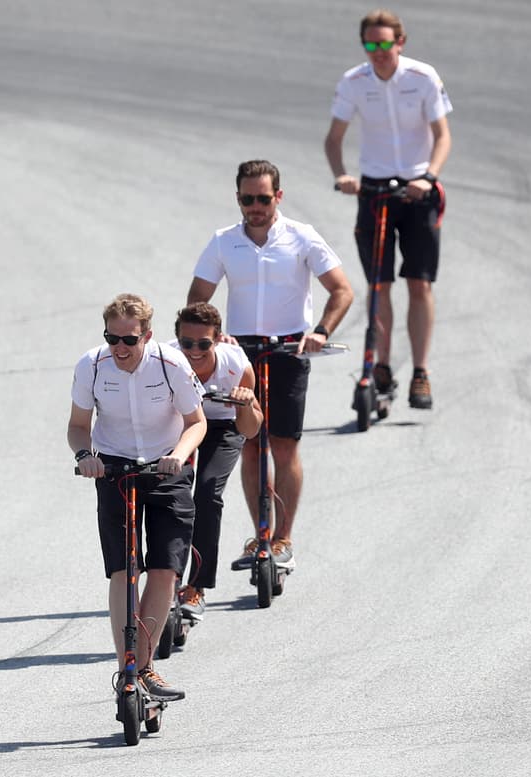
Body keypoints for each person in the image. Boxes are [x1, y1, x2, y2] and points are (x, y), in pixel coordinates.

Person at [188, 159, 354, 572]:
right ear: (238, 198)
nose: (256, 206)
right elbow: (198, 301)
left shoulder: (302, 237)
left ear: (278, 196)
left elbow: (342, 290)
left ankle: (283, 537)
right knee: (249, 446)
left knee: (283, 445)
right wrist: (215, 334)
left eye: (264, 198)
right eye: (248, 199)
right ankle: (260, 533)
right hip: (241, 354)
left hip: (288, 353)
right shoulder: (224, 241)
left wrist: (319, 331)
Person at [68, 293, 206, 702]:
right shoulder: (91, 365)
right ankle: (126, 667)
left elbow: (195, 422)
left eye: (129, 340)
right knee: (124, 572)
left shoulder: (170, 364)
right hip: (114, 470)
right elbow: (77, 426)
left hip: (165, 468)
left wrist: (178, 456)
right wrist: (84, 455)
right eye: (113, 339)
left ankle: (143, 668)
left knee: (164, 569)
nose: (120, 349)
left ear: (147, 335)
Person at [323, 8, 453, 409]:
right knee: (379, 286)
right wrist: (343, 175)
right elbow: (334, 139)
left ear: (400, 42)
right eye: (370, 44)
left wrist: (428, 177)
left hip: (418, 191)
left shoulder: (422, 77)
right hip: (375, 191)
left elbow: (442, 136)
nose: (377, 52)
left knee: (419, 283)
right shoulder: (354, 81)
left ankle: (420, 371)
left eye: (384, 44)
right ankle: (380, 366)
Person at [169, 302, 263, 622]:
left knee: (207, 493)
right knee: (170, 496)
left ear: (219, 339)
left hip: (223, 426)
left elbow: (251, 430)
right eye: (187, 343)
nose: (194, 351)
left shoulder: (236, 364)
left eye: (204, 344)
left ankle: (196, 585)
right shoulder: (165, 361)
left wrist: (246, 405)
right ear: (177, 340)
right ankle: (166, 579)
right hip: (180, 426)